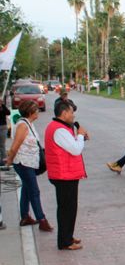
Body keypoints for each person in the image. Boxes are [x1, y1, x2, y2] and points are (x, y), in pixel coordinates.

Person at [44, 101, 89, 250]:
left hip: (65, 173)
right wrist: (80, 136)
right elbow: (76, 150)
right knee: (67, 209)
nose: (73, 115)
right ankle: (65, 241)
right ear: (64, 113)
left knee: (68, 208)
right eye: (71, 112)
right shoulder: (60, 130)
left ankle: (67, 236)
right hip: (64, 175)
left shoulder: (60, 128)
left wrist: (79, 137)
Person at [5, 101, 53, 232]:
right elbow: (15, 145)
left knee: (27, 189)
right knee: (34, 191)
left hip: (29, 162)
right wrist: (9, 160)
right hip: (23, 163)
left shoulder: (28, 123)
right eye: (36, 110)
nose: (38, 112)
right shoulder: (22, 125)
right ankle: (41, 220)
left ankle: (25, 216)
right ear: (31, 112)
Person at [0, 97, 10, 165]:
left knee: (2, 145)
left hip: (3, 128)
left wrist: (3, 105)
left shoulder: (3, 108)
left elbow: (8, 113)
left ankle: (3, 161)